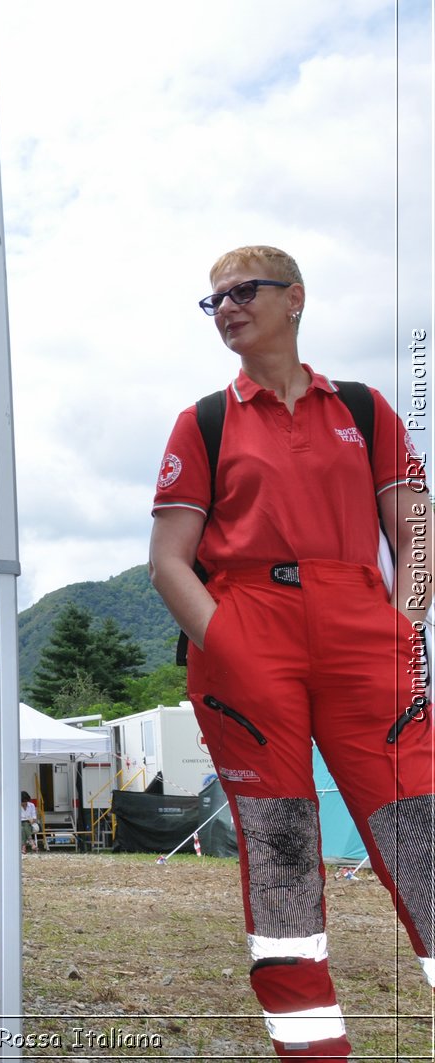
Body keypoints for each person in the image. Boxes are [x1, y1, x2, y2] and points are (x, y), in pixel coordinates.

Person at [148, 244, 434, 1059]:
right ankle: (313, 1051)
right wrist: (227, 642)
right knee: (281, 857)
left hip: (361, 626)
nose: (228, 308)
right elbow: (169, 558)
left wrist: (405, 627)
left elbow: (415, 529)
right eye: (215, 301)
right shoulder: (204, 419)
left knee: (421, 835)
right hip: (248, 626)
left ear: (295, 298)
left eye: (243, 292)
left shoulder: (367, 408)